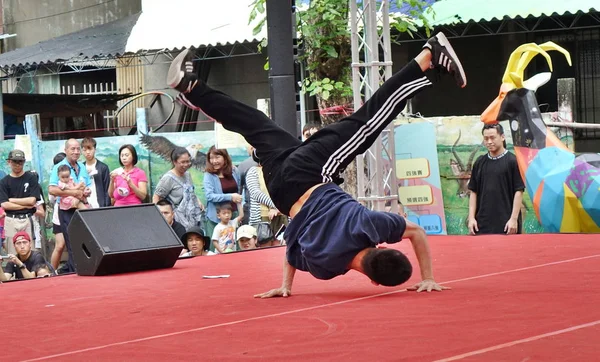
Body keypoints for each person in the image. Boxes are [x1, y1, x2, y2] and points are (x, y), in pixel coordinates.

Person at [168, 32, 465, 297]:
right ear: (373, 282)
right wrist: (286, 286)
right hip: (279, 190)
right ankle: (195, 90)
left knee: (368, 122)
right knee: (255, 125)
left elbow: (416, 233)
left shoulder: (369, 228)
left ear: (382, 246)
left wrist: (428, 277)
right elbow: (291, 250)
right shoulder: (326, 267)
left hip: (311, 175)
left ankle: (428, 56)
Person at [467, 123, 525, 235]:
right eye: (486, 138)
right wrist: (471, 218)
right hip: (482, 225)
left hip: (507, 226)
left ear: (502, 137)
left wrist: (513, 219)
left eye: (492, 137)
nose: (489, 142)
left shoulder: (513, 161)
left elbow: (519, 191)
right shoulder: (479, 163)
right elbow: (473, 192)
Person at [48, 139, 92, 273]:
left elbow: (87, 186)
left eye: (78, 149)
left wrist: (85, 192)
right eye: (73, 149)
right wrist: (74, 193)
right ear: (66, 150)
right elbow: (52, 190)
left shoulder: (82, 166)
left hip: (82, 207)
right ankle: (75, 271)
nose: (76, 152)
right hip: (66, 210)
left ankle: (84, 268)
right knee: (71, 242)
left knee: (84, 240)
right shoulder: (59, 167)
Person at [0, 149, 41, 256]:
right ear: (9, 162)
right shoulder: (4, 182)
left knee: (31, 253)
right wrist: (25, 205)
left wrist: (12, 200)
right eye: (14, 161)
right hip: (11, 220)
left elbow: (32, 201)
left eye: (20, 161)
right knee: (12, 254)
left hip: (28, 219)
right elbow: (4, 205)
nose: (17, 164)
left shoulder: (31, 178)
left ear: (24, 162)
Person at [152, 147, 204, 229]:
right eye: (182, 162)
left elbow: (190, 191)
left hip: (191, 216)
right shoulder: (168, 178)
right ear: (174, 162)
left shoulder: (187, 175)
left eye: (188, 161)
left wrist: (198, 201)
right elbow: (156, 196)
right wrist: (159, 217)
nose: (186, 164)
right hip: (178, 220)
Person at [81, 137, 111, 208]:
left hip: (100, 205)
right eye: (84, 150)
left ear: (95, 149)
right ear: (82, 151)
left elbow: (107, 189)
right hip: (84, 206)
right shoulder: (80, 168)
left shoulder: (103, 167)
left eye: (90, 149)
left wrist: (106, 207)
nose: (87, 152)